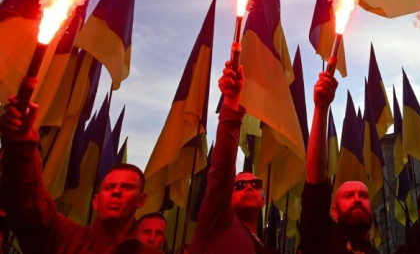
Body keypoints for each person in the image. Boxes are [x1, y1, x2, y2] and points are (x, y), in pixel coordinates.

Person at [0, 95, 160, 253]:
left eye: (126, 187)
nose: (116, 192)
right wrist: (21, 143)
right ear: (95, 201)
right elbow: (30, 201)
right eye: (109, 187)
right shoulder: (63, 238)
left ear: (141, 200)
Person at [298, 72, 378, 254]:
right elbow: (316, 183)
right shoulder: (322, 238)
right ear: (334, 211)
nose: (357, 200)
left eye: (363, 196)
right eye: (349, 196)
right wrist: (321, 108)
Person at [189, 62, 257, 254]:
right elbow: (221, 172)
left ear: (263, 198)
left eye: (256, 184)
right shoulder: (216, 225)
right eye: (240, 185)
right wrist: (232, 103)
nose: (250, 188)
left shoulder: (264, 247)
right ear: (229, 193)